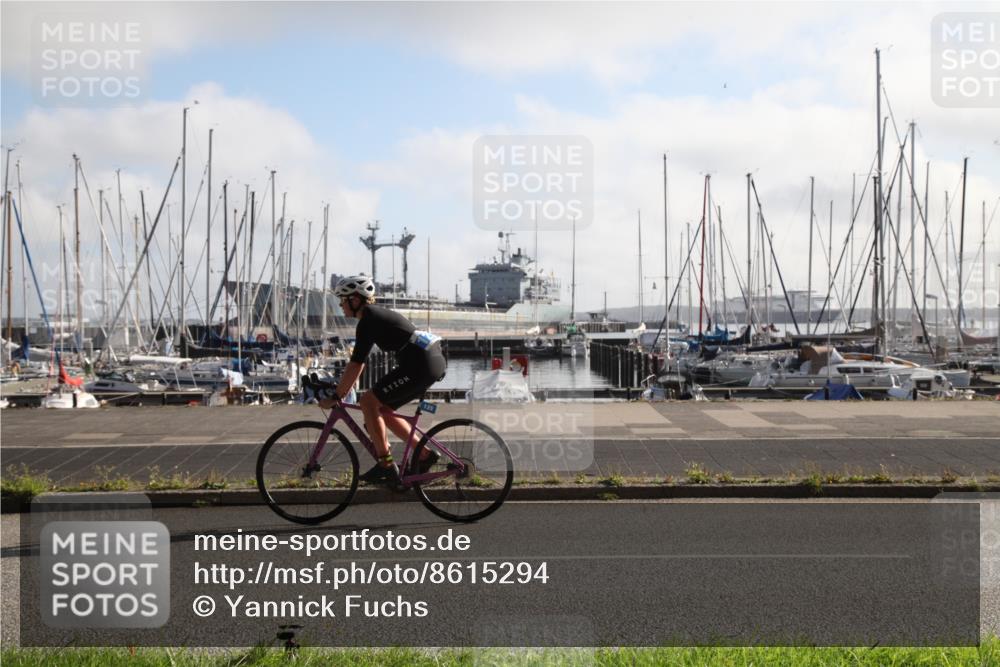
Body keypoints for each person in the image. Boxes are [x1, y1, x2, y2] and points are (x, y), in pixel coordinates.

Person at [321, 275, 447, 484]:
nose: (341, 305)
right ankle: (424, 455)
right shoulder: (373, 316)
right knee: (382, 410)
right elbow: (358, 364)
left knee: (368, 402)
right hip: (425, 361)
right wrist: (340, 391)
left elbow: (357, 364)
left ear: (355, 299)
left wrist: (336, 396)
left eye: (343, 300)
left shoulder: (368, 320)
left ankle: (386, 465)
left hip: (420, 364)